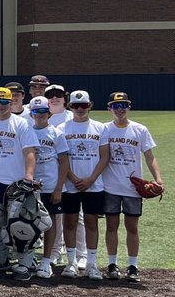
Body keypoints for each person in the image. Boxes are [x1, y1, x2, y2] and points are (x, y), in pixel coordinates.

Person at [99, 92, 162, 282]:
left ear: (129, 107)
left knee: (132, 227)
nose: (119, 109)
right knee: (111, 226)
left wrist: (158, 179)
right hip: (110, 187)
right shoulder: (104, 129)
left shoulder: (140, 129)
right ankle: (112, 264)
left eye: (123, 105)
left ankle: (133, 266)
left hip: (132, 188)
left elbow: (149, 156)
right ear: (109, 108)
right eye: (115, 106)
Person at [0, 87, 39, 273]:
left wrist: (29, 176)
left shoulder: (21, 124)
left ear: (11, 103)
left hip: (16, 181)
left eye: (5, 102)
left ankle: (25, 261)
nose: (1, 106)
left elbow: (29, 151)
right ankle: (1, 258)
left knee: (21, 222)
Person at [58, 90, 107, 279]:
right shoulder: (63, 128)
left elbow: (105, 156)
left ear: (90, 106)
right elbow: (61, 156)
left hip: (93, 184)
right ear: (70, 107)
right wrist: (71, 176)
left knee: (91, 222)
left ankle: (91, 264)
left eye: (84, 105)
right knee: (69, 222)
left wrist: (91, 178)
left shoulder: (99, 128)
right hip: (70, 184)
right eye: (76, 106)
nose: (80, 109)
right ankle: (70, 262)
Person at [24, 98, 70, 280]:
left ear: (49, 113)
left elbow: (64, 161)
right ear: (31, 114)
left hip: (51, 185)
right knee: (30, 223)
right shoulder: (27, 132)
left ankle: (46, 260)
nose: (40, 115)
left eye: (43, 111)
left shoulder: (56, 133)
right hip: (31, 186)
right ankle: (29, 258)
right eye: (36, 112)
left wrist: (59, 188)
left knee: (50, 223)